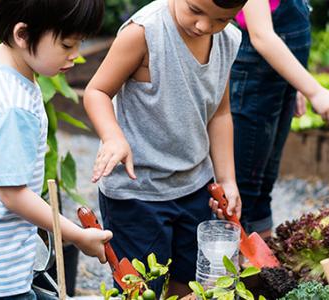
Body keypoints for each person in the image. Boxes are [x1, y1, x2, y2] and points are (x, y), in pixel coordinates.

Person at [0, 0, 111, 298]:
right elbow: (13, 195)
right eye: (68, 44)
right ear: (23, 34)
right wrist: (78, 237)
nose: (75, 55)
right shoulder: (12, 106)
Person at [83, 0, 245, 296]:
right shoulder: (144, 32)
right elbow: (97, 91)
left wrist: (228, 179)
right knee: (142, 288)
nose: (204, 26)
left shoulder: (229, 39)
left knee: (190, 279)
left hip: (196, 187)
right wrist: (113, 136)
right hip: (137, 194)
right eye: (195, 11)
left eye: (221, 19)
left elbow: (221, 113)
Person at [224, 0, 329, 237]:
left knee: (264, 182)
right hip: (254, 78)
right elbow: (261, 35)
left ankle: (263, 264)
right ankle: (234, 265)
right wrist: (314, 91)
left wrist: (293, 83)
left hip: (276, 76)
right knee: (244, 187)